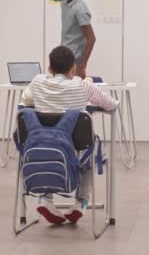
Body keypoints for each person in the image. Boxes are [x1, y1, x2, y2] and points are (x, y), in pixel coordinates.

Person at [21, 45, 117, 224]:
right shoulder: (82, 85)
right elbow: (111, 105)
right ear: (73, 68)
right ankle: (81, 202)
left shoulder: (37, 81)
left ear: (49, 69)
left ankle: (46, 199)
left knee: (48, 147)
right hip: (76, 151)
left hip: (40, 147)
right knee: (88, 151)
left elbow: (25, 99)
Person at [60, 0, 96, 79]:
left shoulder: (80, 9)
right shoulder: (64, 2)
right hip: (63, 56)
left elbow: (91, 38)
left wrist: (82, 65)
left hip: (75, 59)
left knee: (72, 93)